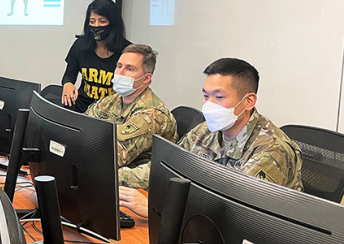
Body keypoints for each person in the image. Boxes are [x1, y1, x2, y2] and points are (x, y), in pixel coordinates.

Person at [118, 58, 303, 217]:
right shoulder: (205, 131)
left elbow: (236, 211)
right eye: (206, 96)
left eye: (219, 97)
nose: (209, 105)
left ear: (248, 101)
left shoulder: (271, 149)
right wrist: (114, 178)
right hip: (198, 224)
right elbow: (166, 168)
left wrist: (159, 207)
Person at [85, 44, 177, 176]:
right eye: (119, 66)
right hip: (107, 172)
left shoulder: (151, 114)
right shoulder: (111, 101)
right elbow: (82, 127)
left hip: (135, 180)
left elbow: (111, 156)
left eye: (130, 69)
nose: (120, 73)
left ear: (146, 78)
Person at [61, 0, 131, 112]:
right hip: (82, 106)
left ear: (113, 23)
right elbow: (69, 74)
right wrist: (67, 84)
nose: (96, 25)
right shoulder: (80, 46)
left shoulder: (127, 52)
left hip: (111, 111)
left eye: (102, 21)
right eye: (92, 21)